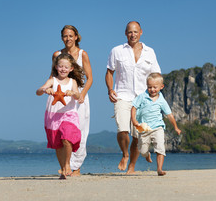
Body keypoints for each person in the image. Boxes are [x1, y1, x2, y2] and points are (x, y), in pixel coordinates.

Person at [105, 21, 161, 174]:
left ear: (141, 32)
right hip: (122, 95)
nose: (133, 34)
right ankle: (125, 154)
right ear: (125, 33)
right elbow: (109, 72)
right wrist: (110, 89)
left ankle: (132, 167)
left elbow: (156, 75)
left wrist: (156, 96)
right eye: (130, 32)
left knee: (138, 135)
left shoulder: (150, 52)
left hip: (143, 99)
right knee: (122, 129)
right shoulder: (117, 51)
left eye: (135, 32)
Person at [52, 25, 93, 176]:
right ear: (62, 38)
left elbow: (90, 78)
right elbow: (53, 76)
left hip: (79, 97)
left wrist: (82, 94)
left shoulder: (83, 54)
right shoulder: (57, 54)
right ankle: (65, 166)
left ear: (76, 37)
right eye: (65, 36)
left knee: (80, 131)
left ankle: (76, 167)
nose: (68, 39)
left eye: (70, 36)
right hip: (61, 96)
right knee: (61, 131)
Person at [36, 53, 84, 179]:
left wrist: (73, 93)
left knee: (67, 138)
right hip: (53, 115)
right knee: (58, 144)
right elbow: (39, 91)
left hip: (69, 114)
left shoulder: (72, 82)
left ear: (71, 69)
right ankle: (63, 169)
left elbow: (79, 96)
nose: (63, 69)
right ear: (56, 67)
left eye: (66, 67)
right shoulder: (52, 80)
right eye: (60, 66)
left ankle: (68, 164)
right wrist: (45, 90)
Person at [131, 73, 181, 176]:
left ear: (161, 87)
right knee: (143, 150)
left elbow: (169, 115)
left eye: (155, 87)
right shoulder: (142, 97)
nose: (152, 89)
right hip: (144, 129)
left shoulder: (162, 100)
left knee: (160, 148)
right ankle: (147, 155)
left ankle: (159, 169)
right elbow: (134, 107)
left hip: (158, 127)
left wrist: (176, 127)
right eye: (149, 87)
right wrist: (134, 120)